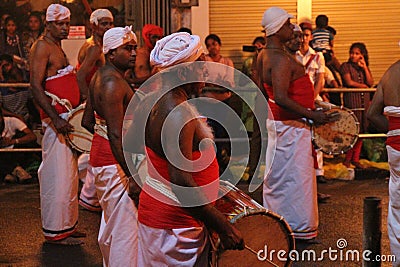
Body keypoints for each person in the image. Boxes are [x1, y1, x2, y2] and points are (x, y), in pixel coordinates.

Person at [134, 32, 244, 265]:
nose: (207, 69)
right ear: (183, 72)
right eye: (200, 63)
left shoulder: (154, 99)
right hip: (173, 226)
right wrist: (222, 225)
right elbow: (181, 181)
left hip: (166, 221)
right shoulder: (178, 114)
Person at [257, 7, 328, 240]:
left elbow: (263, 93)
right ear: (277, 30)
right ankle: (297, 228)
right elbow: (281, 97)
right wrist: (312, 115)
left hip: (281, 125)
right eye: (288, 24)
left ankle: (279, 224)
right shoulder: (279, 59)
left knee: (280, 178)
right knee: (297, 180)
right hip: (291, 128)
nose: (291, 28)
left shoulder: (264, 55)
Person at [81, 26, 139, 266]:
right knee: (125, 231)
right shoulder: (113, 83)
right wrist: (133, 175)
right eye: (128, 48)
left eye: (135, 47)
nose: (134, 53)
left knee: (113, 226)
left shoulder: (101, 76)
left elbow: (86, 121)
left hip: (102, 157)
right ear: (111, 53)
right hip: (114, 162)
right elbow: (116, 135)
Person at [29, 4, 84, 246]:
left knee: (69, 178)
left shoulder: (56, 46)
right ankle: (54, 231)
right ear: (48, 23)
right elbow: (35, 86)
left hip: (65, 122)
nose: (65, 28)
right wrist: (55, 117)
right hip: (56, 124)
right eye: (60, 24)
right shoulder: (42, 46)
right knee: (56, 177)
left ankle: (67, 226)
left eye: (67, 23)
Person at [76, 9, 113, 213]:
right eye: (104, 24)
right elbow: (81, 76)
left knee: (95, 148)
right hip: (97, 105)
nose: (108, 27)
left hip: (97, 102)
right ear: (93, 25)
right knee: (100, 145)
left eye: (111, 23)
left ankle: (90, 196)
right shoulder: (95, 49)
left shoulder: (94, 45)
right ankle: (90, 196)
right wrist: (89, 102)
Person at [366, 60, 400, 266]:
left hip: (395, 145)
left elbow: (372, 114)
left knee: (397, 203)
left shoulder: (390, 72)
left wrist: (395, 131)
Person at [296, 22, 328, 185]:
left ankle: (319, 171)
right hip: (297, 100)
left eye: (307, 35)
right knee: (301, 136)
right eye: (302, 35)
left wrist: (313, 97)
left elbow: (320, 79)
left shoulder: (318, 56)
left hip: (314, 99)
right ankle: (303, 170)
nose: (304, 38)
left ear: (311, 37)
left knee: (318, 135)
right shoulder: (293, 56)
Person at [340, 42, 374, 169]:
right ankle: (347, 159)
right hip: (352, 102)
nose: (353, 56)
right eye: (352, 53)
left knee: (362, 130)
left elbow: (371, 82)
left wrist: (364, 67)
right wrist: (363, 86)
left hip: (363, 102)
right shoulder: (345, 66)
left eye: (357, 53)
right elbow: (349, 82)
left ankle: (356, 159)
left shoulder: (362, 67)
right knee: (352, 131)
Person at [0, 107, 36, 183]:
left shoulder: (12, 121)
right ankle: (14, 170)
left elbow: (32, 136)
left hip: (14, 151)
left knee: (27, 142)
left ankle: (12, 172)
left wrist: (14, 141)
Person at [125, 23, 163, 89]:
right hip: (142, 92)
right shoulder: (136, 55)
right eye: (154, 37)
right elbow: (127, 77)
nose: (157, 40)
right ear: (147, 37)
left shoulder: (163, 54)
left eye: (159, 37)